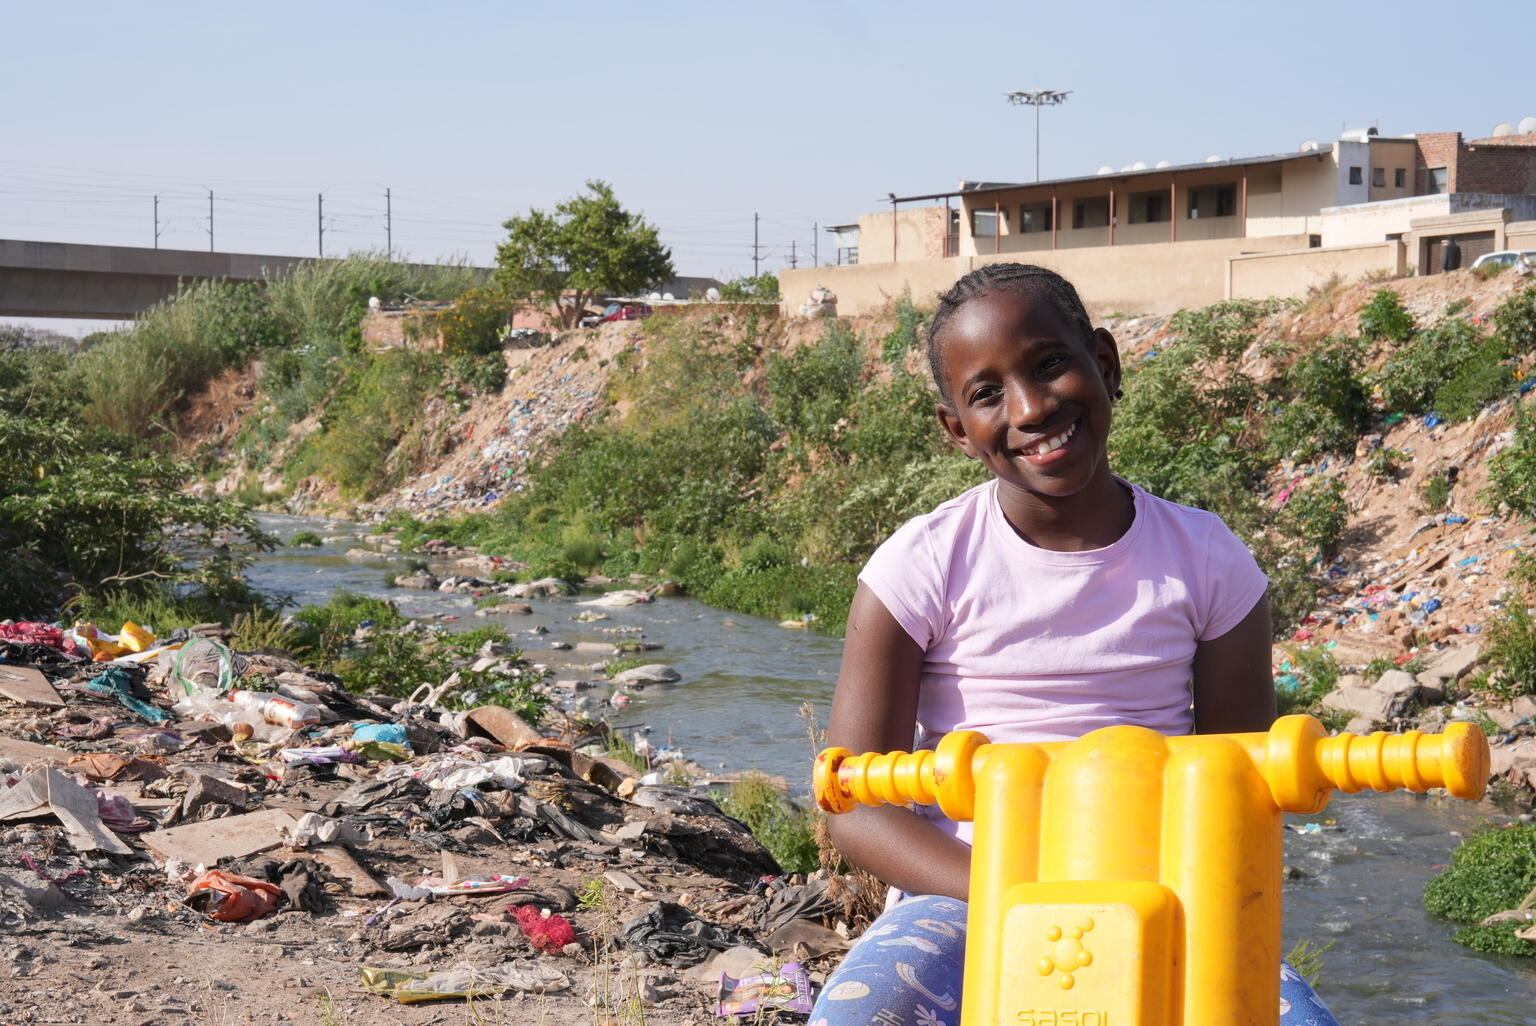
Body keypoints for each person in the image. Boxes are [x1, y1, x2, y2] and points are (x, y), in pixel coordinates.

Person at [808, 264, 1340, 1026]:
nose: (1030, 407)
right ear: (956, 429)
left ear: (1106, 363)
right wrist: (1017, 879)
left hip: (1166, 891)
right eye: (987, 393)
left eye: (1050, 363)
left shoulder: (1207, 558)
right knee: (862, 1015)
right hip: (965, 895)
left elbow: (1240, 785)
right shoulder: (919, 566)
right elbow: (854, 806)